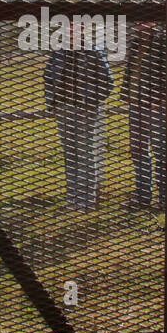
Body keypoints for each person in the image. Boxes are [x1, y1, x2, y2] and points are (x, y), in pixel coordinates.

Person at [43, 23, 113, 212]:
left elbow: (107, 82)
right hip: (64, 110)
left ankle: (86, 202)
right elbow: (48, 78)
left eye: (74, 28)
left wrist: (90, 102)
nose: (70, 31)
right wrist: (52, 103)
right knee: (70, 155)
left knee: (85, 155)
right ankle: (72, 199)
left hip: (85, 111)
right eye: (68, 28)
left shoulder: (93, 51)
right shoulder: (58, 52)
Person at [121, 19, 166, 210]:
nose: (138, 23)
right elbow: (130, 69)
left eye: (143, 19)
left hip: (157, 103)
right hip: (136, 102)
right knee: (138, 150)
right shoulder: (136, 41)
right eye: (137, 19)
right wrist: (126, 93)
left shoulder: (164, 41)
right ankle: (143, 196)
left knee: (160, 151)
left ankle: (165, 199)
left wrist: (163, 96)